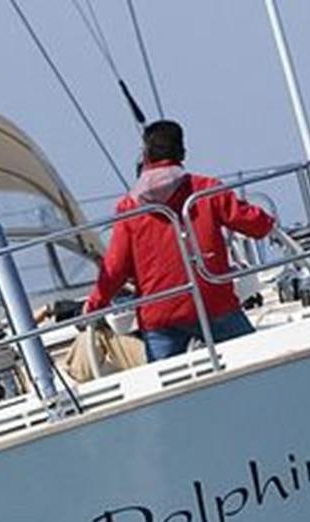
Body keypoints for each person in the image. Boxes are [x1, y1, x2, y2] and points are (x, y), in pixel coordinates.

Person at [84, 120, 276, 362]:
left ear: (145, 156)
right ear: (182, 153)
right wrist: (269, 223)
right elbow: (253, 224)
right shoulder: (205, 189)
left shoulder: (129, 207)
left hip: (160, 314)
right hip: (213, 301)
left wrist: (94, 305)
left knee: (165, 382)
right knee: (255, 360)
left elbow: (116, 267)